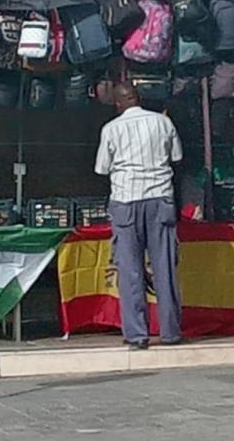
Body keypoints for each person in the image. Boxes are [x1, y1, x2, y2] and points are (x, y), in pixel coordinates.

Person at [94, 83, 184, 350]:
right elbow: (176, 156)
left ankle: (137, 334)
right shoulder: (163, 123)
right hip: (160, 200)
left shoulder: (111, 129)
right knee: (164, 267)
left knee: (130, 270)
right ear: (139, 99)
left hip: (125, 201)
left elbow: (102, 168)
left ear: (119, 104)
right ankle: (170, 332)